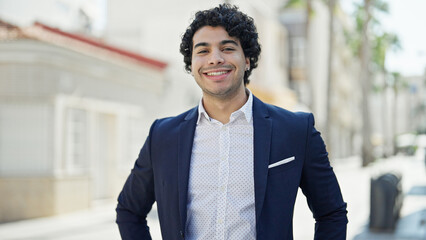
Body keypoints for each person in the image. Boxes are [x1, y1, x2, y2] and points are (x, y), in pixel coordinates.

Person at [116, 4, 348, 240]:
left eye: (227, 48)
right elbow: (129, 210)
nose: (215, 59)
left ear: (247, 59)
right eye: (203, 51)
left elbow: (331, 213)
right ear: (192, 63)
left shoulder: (295, 130)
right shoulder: (163, 136)